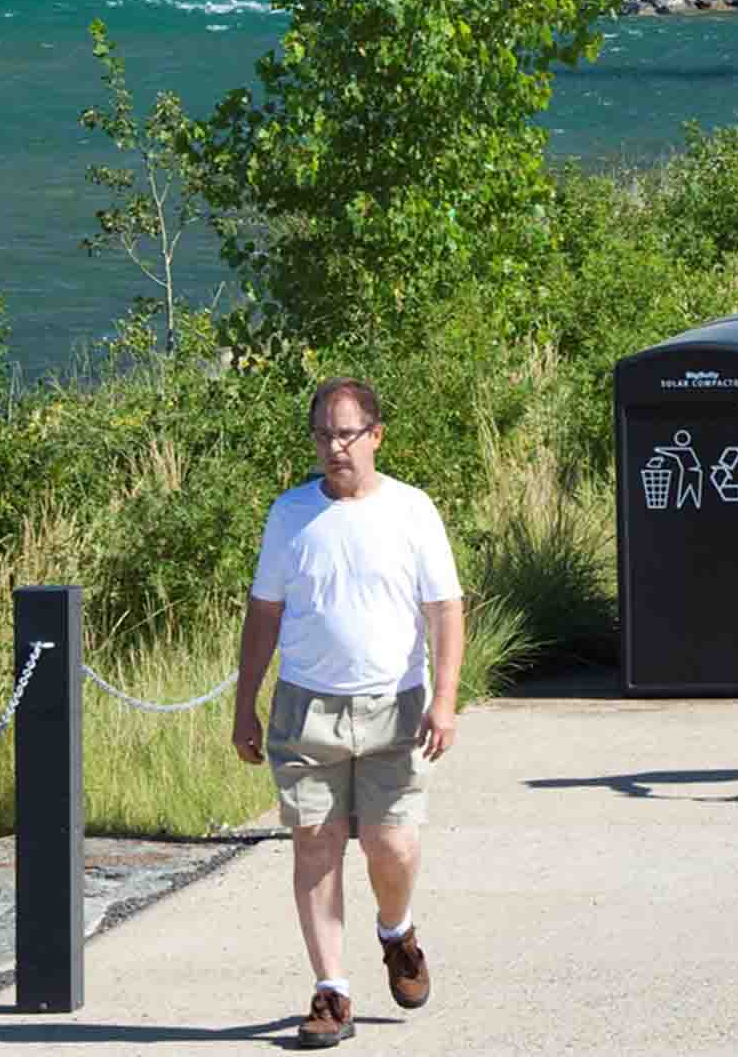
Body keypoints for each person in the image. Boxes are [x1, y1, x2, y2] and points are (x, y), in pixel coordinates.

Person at [232, 377, 465, 1051]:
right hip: (307, 708)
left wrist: (445, 700)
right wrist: (245, 702)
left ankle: (397, 932)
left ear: (375, 436)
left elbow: (446, 609)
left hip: (397, 706)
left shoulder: (413, 511)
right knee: (316, 844)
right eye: (323, 436)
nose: (334, 448)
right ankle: (332, 990)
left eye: (346, 434)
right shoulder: (290, 515)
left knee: (393, 846)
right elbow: (264, 612)